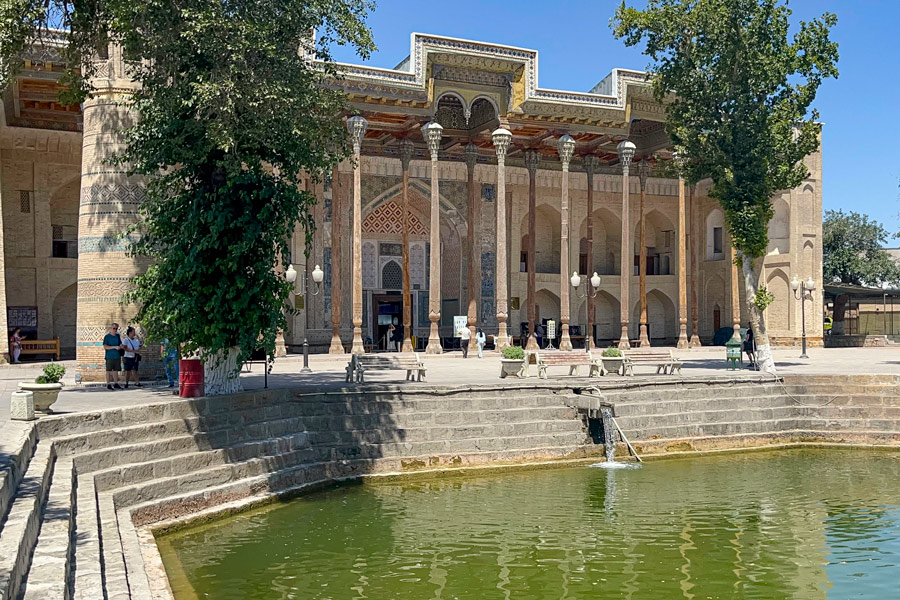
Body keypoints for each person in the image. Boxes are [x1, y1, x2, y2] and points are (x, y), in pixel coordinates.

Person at [103, 324, 124, 390]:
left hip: (117, 356)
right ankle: (108, 384)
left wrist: (121, 346)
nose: (115, 330)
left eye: (116, 328)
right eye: (114, 328)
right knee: (108, 370)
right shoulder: (107, 337)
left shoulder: (118, 336)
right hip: (109, 356)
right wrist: (114, 347)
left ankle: (116, 383)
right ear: (111, 328)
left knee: (116, 370)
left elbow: (120, 343)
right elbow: (105, 346)